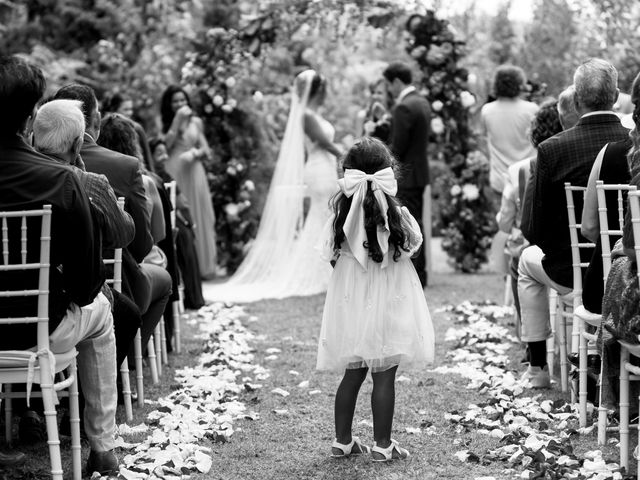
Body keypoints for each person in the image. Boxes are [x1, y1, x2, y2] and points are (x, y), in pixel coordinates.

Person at [0, 55, 118, 475]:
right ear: (32, 115)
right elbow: (87, 284)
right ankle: (103, 447)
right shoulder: (61, 179)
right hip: (38, 331)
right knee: (101, 311)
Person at [316, 137, 434, 461]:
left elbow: (329, 255)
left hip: (351, 302)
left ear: (348, 173)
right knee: (384, 374)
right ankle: (383, 445)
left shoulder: (339, 217)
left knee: (352, 373)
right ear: (388, 171)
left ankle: (343, 441)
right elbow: (412, 248)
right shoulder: (399, 216)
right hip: (389, 301)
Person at [518, 58, 629, 388]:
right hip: (628, 269)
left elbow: (534, 228)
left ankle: (538, 367)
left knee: (525, 262)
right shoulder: (631, 145)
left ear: (577, 100)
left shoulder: (551, 149)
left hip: (574, 274)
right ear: (616, 95)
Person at [203, 69, 342, 302]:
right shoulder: (306, 116)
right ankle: (319, 270)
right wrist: (348, 155)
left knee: (323, 217)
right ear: (318, 90)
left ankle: (326, 266)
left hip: (326, 168)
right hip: (319, 169)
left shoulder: (313, 113)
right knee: (322, 216)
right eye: (324, 89)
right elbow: (324, 142)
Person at [98, 113, 173, 352]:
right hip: (126, 275)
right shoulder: (140, 178)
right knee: (164, 276)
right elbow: (151, 240)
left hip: (86, 275)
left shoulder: (77, 171)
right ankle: (132, 351)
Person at [496, 99, 564, 336]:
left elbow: (506, 222)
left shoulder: (519, 170)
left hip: (539, 248)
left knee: (519, 260)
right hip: (575, 249)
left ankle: (531, 343)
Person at [160, 85, 217, 279]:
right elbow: (165, 146)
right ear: (169, 104)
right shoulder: (165, 123)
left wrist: (194, 153)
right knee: (181, 214)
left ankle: (204, 266)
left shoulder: (196, 122)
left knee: (201, 214)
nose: (180, 104)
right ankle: (185, 270)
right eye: (175, 101)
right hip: (175, 170)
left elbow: (206, 150)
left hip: (194, 171)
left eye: (182, 100)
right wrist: (176, 123)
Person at [383, 62, 431, 287]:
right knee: (417, 222)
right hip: (420, 174)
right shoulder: (422, 102)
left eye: (388, 84)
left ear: (397, 81)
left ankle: (416, 274)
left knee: (408, 224)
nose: (388, 90)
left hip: (407, 176)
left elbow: (398, 147)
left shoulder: (403, 107)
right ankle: (421, 272)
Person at [150, 138, 205, 309]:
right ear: (150, 155)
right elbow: (183, 205)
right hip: (165, 226)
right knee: (186, 236)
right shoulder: (160, 177)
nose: (165, 157)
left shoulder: (150, 175)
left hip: (157, 227)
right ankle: (194, 297)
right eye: (159, 153)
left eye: (165, 152)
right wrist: (191, 223)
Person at [480, 65, 539, 198]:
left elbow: (483, 139)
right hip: (527, 178)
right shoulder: (532, 109)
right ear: (520, 84)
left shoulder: (487, 110)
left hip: (500, 180)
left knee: (502, 218)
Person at [102, 92, 154, 172]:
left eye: (131, 109)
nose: (130, 113)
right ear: (114, 109)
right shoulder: (104, 127)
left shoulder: (136, 128)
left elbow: (148, 158)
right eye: (126, 109)